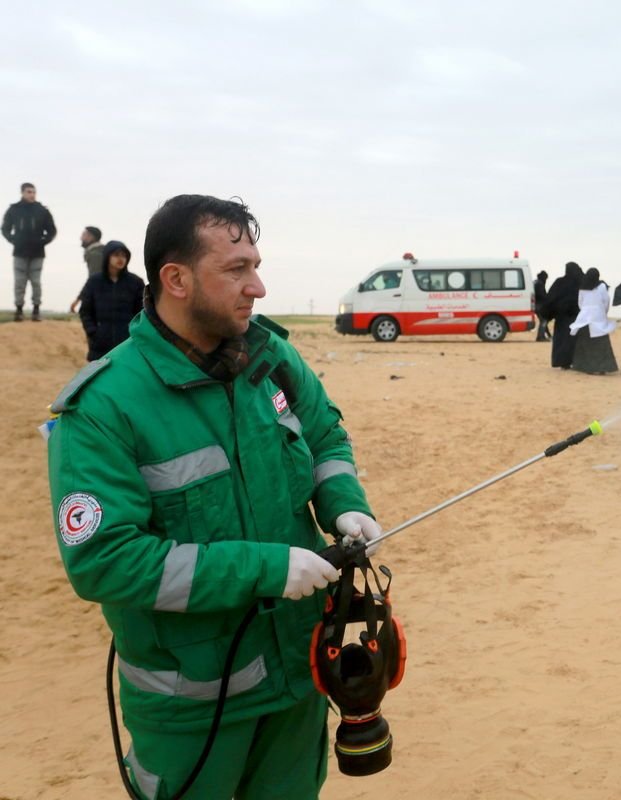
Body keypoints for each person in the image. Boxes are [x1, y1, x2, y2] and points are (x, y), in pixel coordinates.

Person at [47, 195, 384, 799]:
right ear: (175, 279)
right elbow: (104, 560)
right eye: (235, 270)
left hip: (299, 678)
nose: (257, 286)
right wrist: (265, 568)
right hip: (193, 706)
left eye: (256, 264)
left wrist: (343, 502)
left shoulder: (271, 356)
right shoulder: (103, 406)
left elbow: (326, 434)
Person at [78, 240, 145, 361]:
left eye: (124, 255)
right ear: (107, 257)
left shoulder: (136, 282)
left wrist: (134, 333)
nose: (120, 259)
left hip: (127, 343)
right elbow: (85, 311)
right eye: (116, 255)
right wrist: (93, 332)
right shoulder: (94, 282)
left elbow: (141, 312)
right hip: (100, 344)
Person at [3, 182, 57, 321]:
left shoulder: (42, 211)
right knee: (19, 282)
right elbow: (5, 228)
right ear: (22, 193)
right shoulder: (14, 210)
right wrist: (13, 239)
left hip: (37, 252)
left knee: (36, 282)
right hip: (19, 252)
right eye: (29, 192)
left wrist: (43, 241)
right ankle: (19, 310)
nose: (32, 194)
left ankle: (36, 310)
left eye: (33, 192)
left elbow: (52, 230)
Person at [568, 267, 619, 374]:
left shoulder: (582, 287)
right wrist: (603, 313)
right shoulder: (601, 286)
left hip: (584, 319)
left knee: (585, 344)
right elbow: (606, 301)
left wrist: (586, 311)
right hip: (598, 318)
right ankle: (602, 368)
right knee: (600, 344)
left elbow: (580, 303)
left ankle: (586, 367)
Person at [543, 262, 583, 369]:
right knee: (576, 340)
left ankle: (564, 363)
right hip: (578, 317)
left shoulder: (560, 282)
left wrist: (549, 314)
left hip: (562, 317)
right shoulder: (582, 281)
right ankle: (578, 362)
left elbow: (551, 299)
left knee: (563, 340)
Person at [71, 226, 106, 314]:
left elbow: (94, 280)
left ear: (91, 237)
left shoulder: (95, 254)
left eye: (84, 235)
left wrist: (78, 300)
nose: (81, 238)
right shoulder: (100, 251)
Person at [533, 270, 551, 341]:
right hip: (539, 306)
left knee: (543, 321)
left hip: (536, 305)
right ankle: (540, 337)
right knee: (544, 321)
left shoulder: (535, 282)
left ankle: (545, 335)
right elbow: (542, 295)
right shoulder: (539, 284)